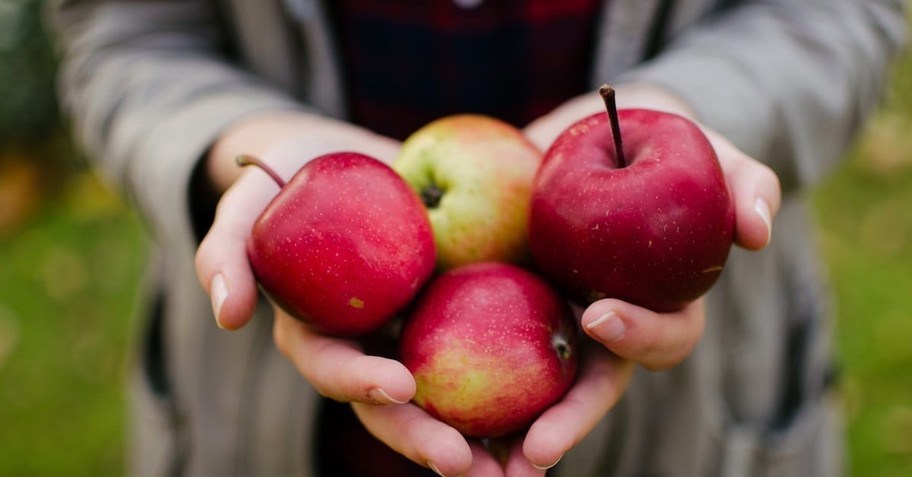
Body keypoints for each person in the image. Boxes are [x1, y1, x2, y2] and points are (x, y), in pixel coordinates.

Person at [50, 1, 906, 476]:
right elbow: (126, 36)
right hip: (268, 420)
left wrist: (686, 106)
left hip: (693, 424)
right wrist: (243, 140)